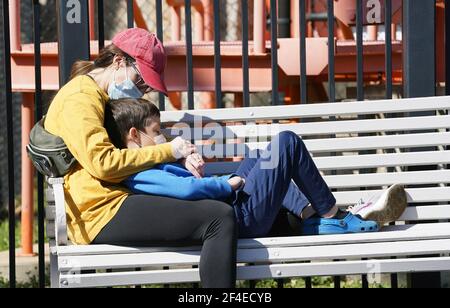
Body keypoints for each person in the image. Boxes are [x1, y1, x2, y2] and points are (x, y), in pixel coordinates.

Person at [43, 28, 237, 288]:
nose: (142, 90)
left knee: (223, 209)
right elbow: (104, 164)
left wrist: (179, 156)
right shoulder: (80, 100)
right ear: (119, 61)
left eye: (147, 86)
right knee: (218, 217)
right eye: (141, 80)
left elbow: (137, 140)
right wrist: (170, 151)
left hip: (115, 199)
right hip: (100, 212)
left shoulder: (99, 94)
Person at [104, 98, 408, 239]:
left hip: (234, 209)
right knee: (286, 143)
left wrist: (202, 169)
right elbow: (186, 189)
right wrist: (227, 184)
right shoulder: (139, 171)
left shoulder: (148, 161)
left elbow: (187, 183)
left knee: (259, 159)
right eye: (157, 131)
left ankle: (310, 217)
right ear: (133, 136)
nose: (164, 138)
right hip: (237, 219)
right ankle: (334, 216)